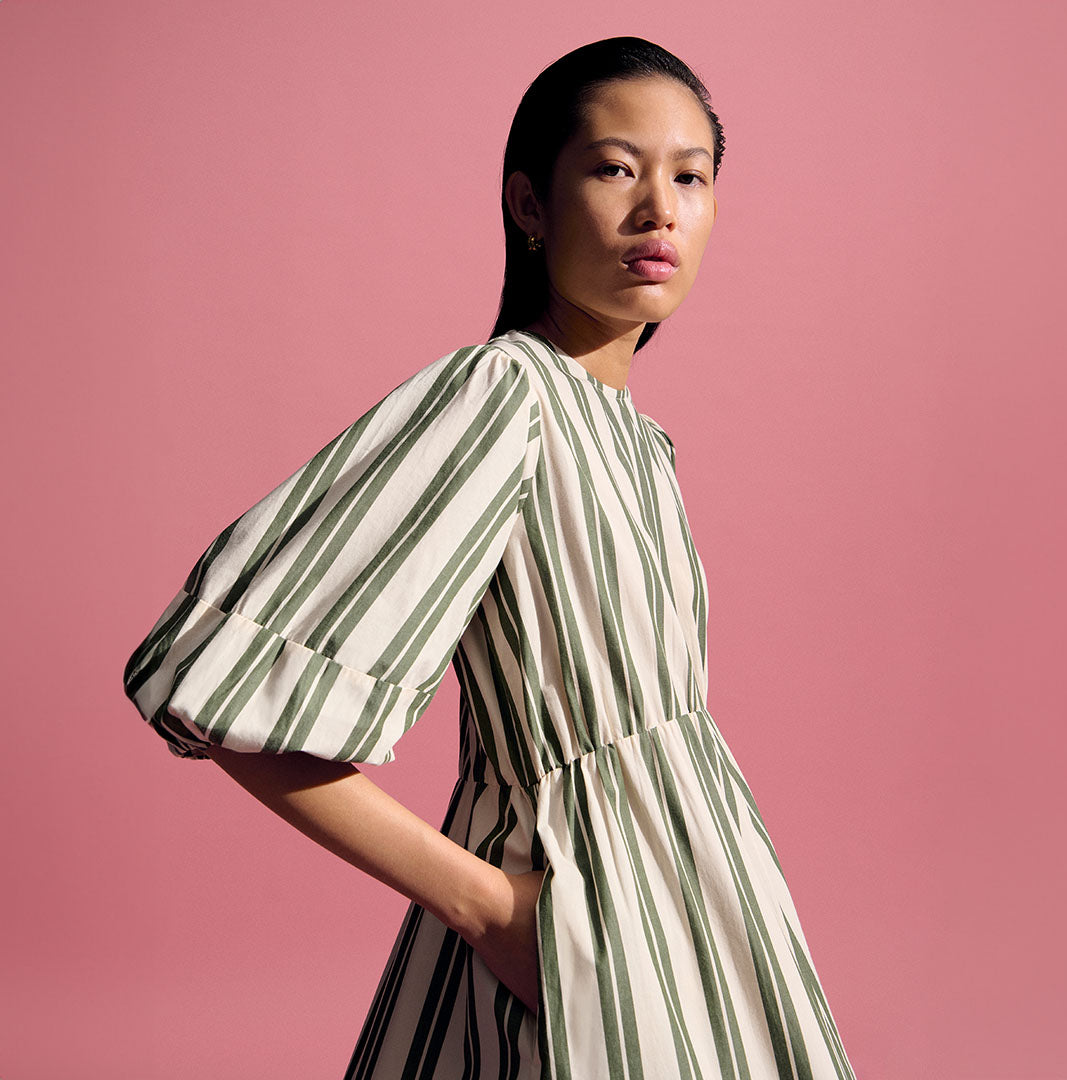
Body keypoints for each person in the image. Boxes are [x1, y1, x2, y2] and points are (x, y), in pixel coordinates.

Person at [123, 36, 858, 1080]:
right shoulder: (502, 395)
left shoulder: (639, 441)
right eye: (615, 168)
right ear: (528, 203)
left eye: (690, 176)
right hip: (579, 927)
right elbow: (209, 683)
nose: (661, 210)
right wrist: (488, 909)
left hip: (699, 915)